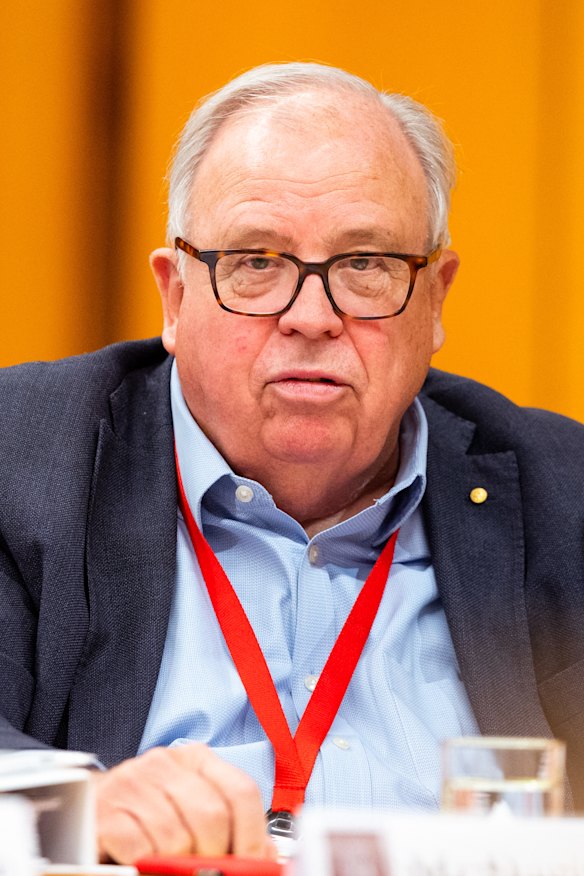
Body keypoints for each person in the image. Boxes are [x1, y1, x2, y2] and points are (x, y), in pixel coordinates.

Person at [0, 62, 583, 865]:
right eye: (256, 261)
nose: (312, 317)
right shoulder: (22, 459)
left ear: (435, 300)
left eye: (365, 263)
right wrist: (73, 806)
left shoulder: (565, 495)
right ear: (175, 297)